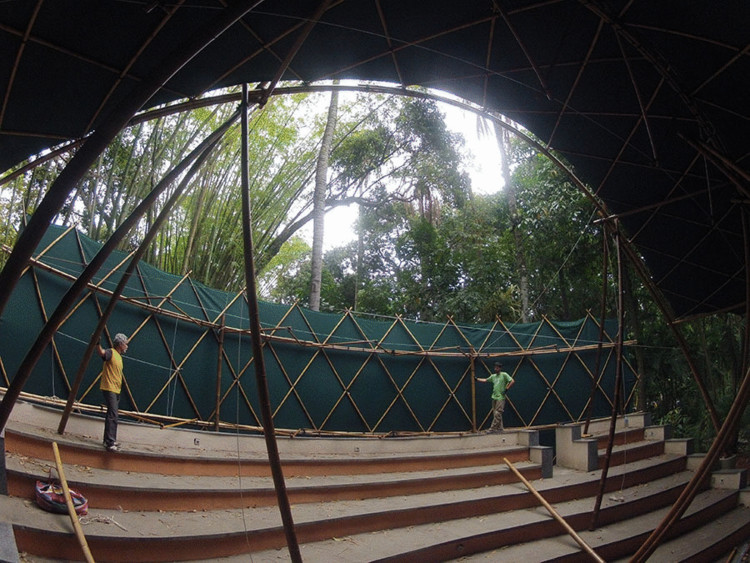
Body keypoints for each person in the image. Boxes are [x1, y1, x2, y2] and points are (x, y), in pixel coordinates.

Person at [96, 333, 129, 452]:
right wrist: (97, 343)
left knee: (112, 414)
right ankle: (110, 443)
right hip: (109, 388)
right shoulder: (111, 352)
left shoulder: (119, 357)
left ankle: (108, 440)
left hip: (115, 389)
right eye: (125, 343)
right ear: (120, 344)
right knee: (113, 415)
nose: (127, 346)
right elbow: (102, 353)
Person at [476, 362, 515, 433]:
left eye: (497, 368)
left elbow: (512, 381)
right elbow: (485, 380)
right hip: (494, 397)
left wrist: (507, 388)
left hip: (500, 397)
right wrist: (477, 379)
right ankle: (500, 428)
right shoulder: (493, 376)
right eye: (495, 367)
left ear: (500, 368)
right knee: (496, 414)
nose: (495, 369)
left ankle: (493, 428)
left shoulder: (504, 375)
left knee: (498, 413)